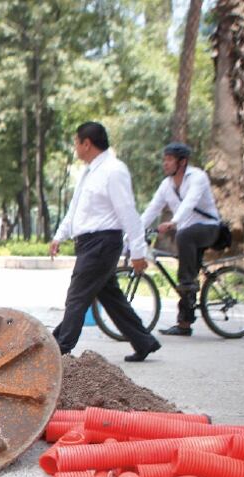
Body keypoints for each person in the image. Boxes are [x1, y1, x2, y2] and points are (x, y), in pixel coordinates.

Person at [49, 121, 161, 363]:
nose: (75, 148)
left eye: (76, 143)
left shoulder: (113, 170)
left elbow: (128, 213)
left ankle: (59, 349)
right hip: (89, 243)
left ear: (86, 144)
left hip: (103, 243)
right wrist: (60, 235)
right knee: (111, 297)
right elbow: (75, 209)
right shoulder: (89, 172)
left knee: (77, 296)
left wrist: (138, 251)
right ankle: (144, 341)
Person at [140, 142, 222, 336]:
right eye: (164, 160)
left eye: (169, 160)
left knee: (184, 239)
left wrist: (173, 222)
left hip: (209, 228)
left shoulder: (197, 177)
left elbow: (189, 202)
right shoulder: (166, 185)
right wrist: (133, 232)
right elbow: (152, 209)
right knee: (186, 261)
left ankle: (187, 284)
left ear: (182, 162)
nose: (165, 164)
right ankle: (184, 324)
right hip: (187, 234)